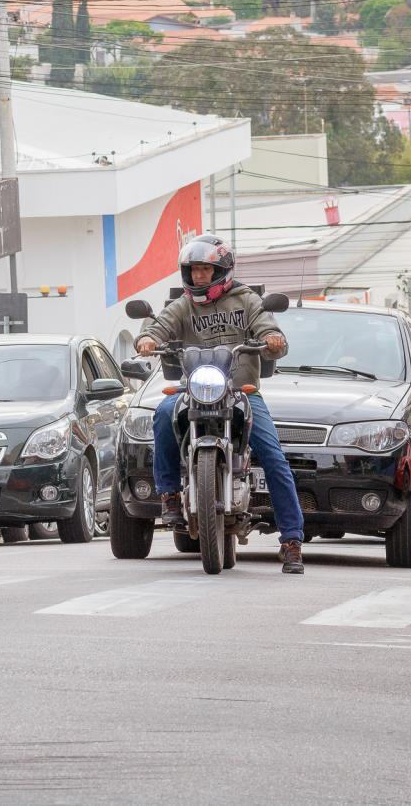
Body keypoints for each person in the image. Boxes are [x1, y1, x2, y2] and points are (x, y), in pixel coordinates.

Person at [134, 235, 306, 574]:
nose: (199, 277)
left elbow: (269, 329)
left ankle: (291, 540)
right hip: (196, 389)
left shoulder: (246, 301)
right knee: (163, 414)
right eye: (194, 270)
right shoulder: (183, 305)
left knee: (273, 456)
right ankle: (169, 493)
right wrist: (146, 339)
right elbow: (159, 325)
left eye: (205, 270)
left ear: (222, 271)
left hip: (242, 391)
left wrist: (273, 341)